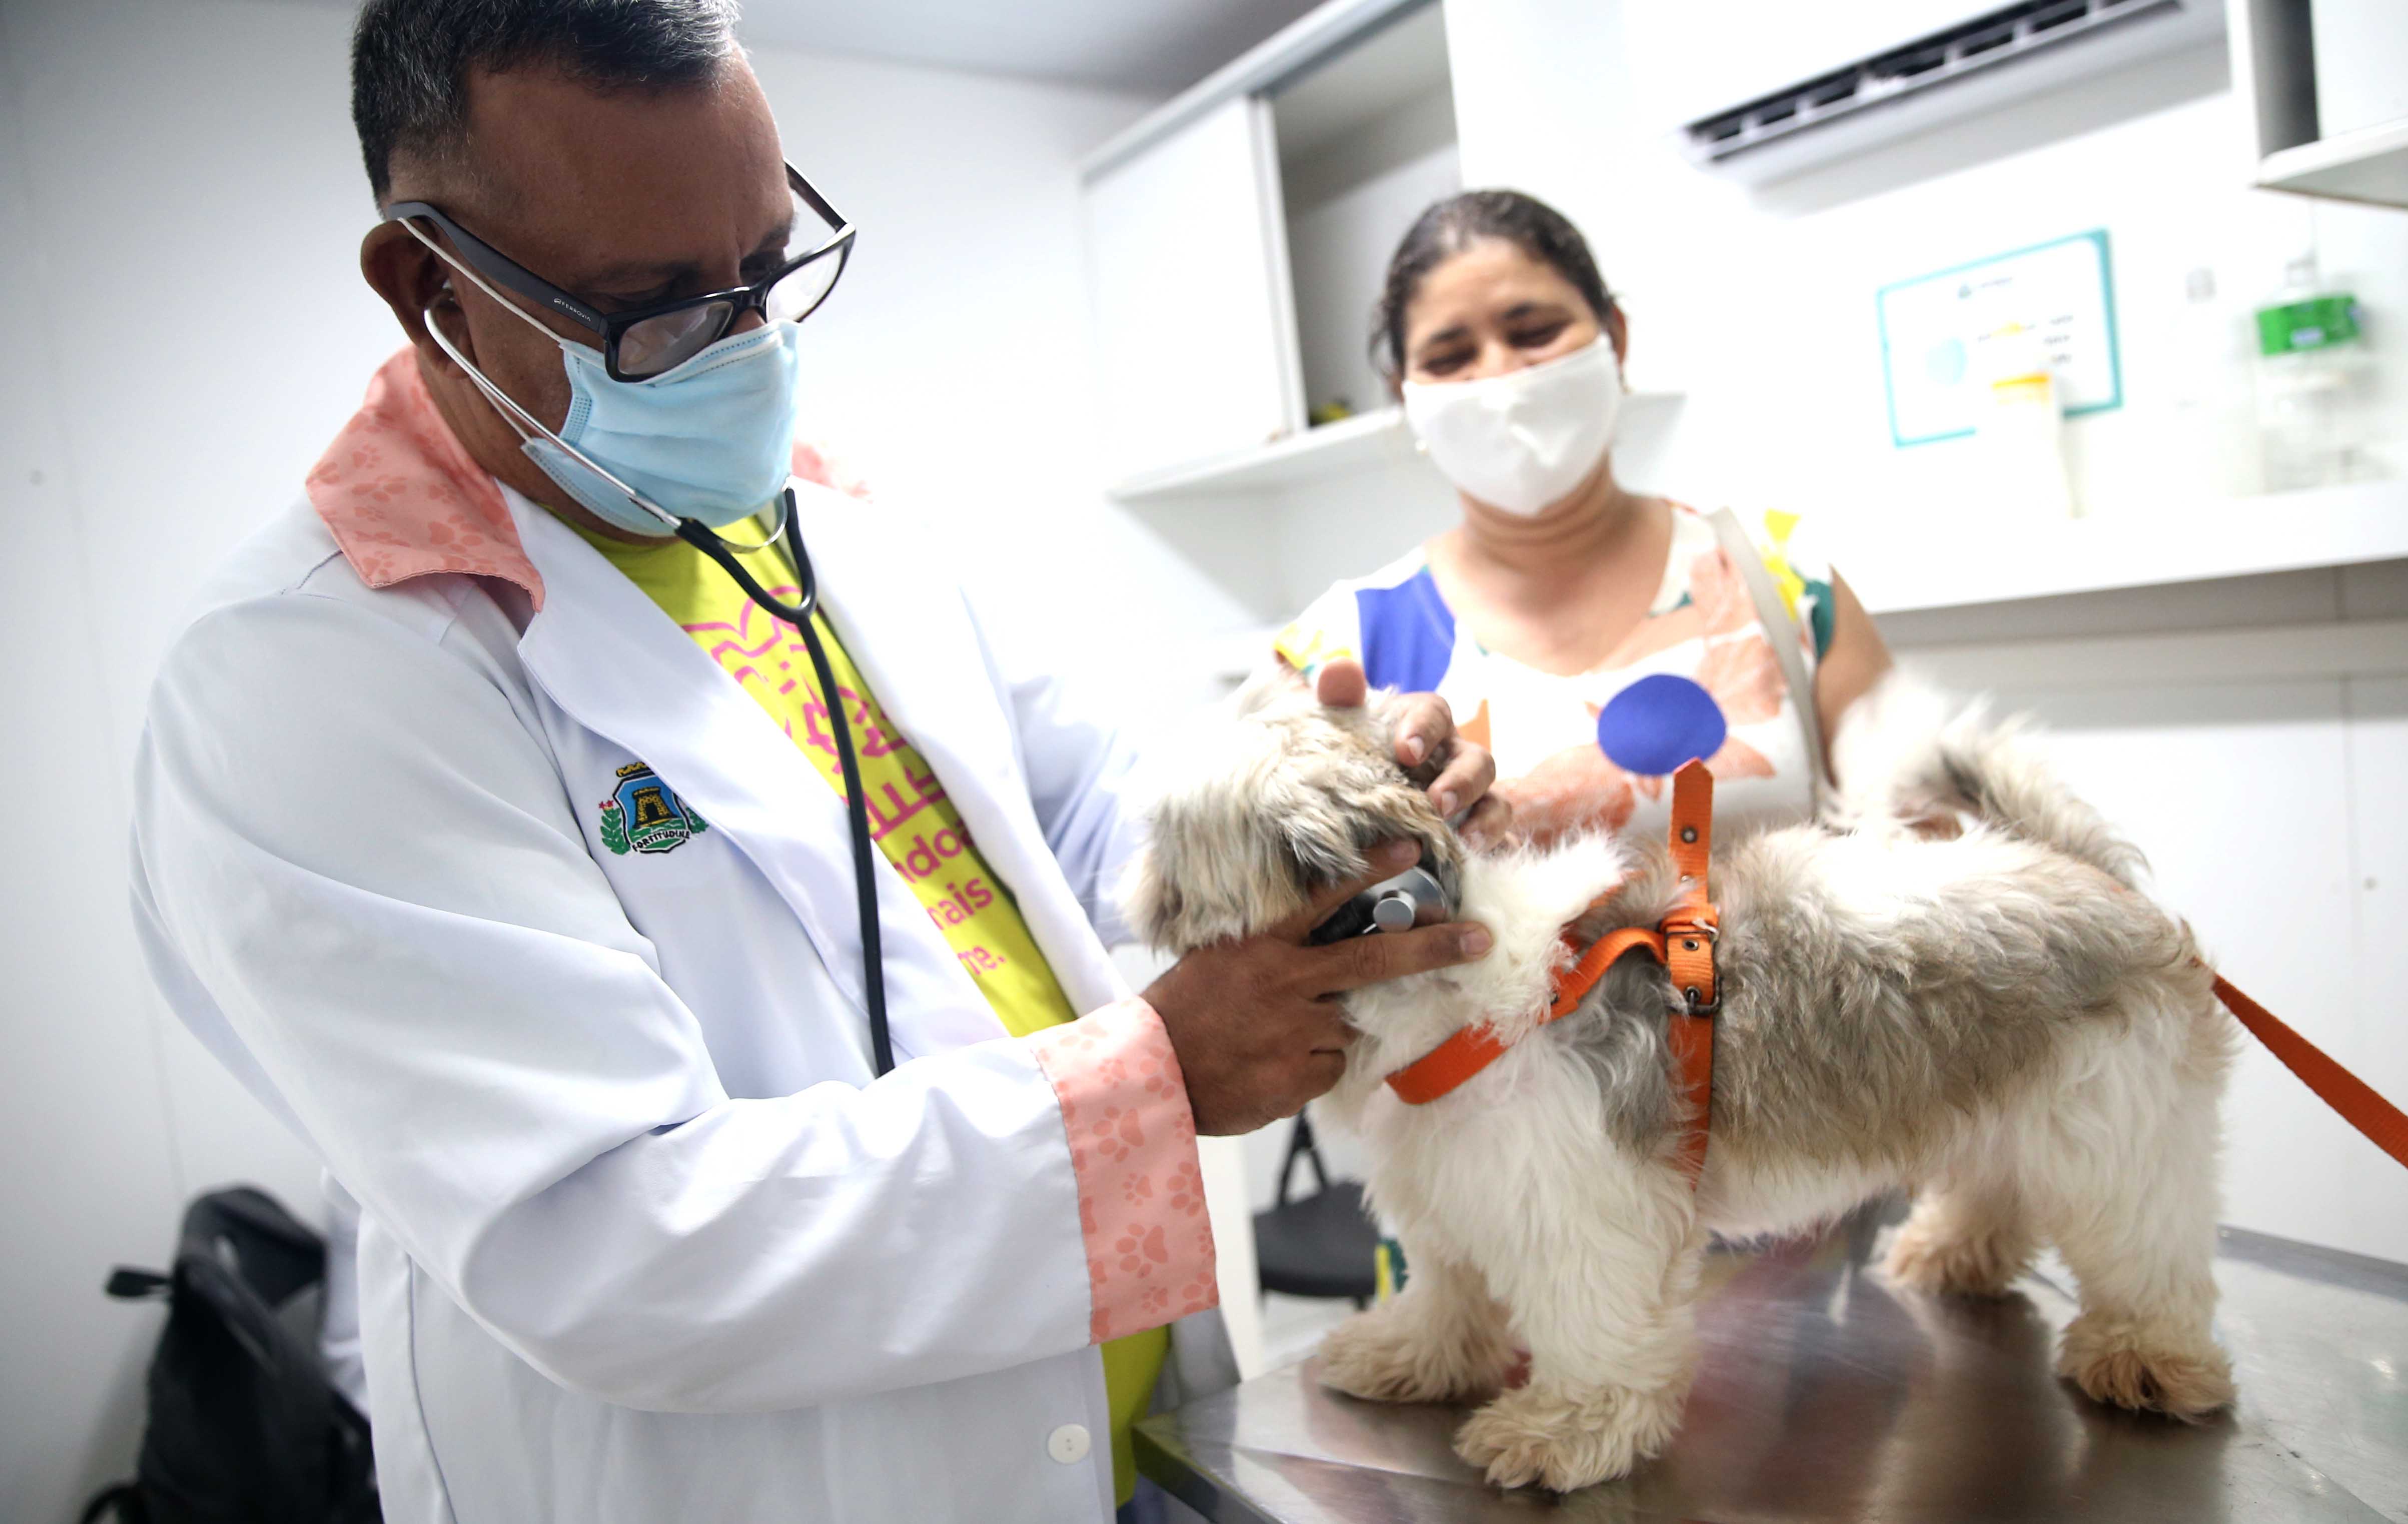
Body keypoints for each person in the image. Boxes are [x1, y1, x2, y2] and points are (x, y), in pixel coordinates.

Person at [125, 5, 1494, 1520]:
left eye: (768, 268)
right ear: (426, 279)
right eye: (654, 306)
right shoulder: (314, 675)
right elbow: (617, 1244)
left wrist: (1303, 819)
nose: (748, 345)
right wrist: (1157, 1077)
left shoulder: (833, 532)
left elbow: (1093, 822)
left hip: (1128, 1448)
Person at [1276, 190, 1898, 845]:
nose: (1500, 377)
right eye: (1449, 357)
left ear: (1615, 339)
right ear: (1408, 393)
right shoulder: (1339, 644)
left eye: (1535, 333)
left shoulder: (1781, 573)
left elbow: (1930, 853)